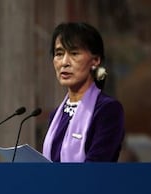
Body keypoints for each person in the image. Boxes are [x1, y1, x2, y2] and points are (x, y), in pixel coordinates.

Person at [42, 22, 125, 162]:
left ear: (95, 60)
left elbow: (96, 167)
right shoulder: (56, 115)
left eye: (74, 53)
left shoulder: (108, 110)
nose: (64, 62)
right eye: (59, 54)